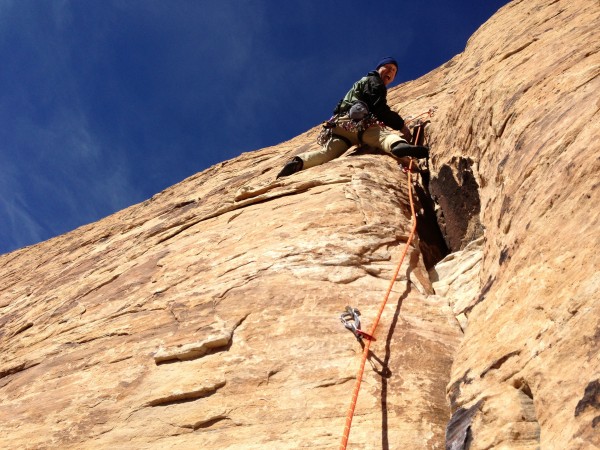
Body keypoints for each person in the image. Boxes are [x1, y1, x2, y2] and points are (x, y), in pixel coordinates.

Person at [277, 57, 429, 178]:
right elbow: (380, 108)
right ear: (378, 68)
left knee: (327, 153)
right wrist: (401, 126)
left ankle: (299, 162)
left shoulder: (358, 84)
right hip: (361, 125)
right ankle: (398, 146)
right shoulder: (374, 81)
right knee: (382, 136)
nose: (390, 71)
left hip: (341, 127)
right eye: (388, 67)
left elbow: (337, 107)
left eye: (394, 71)